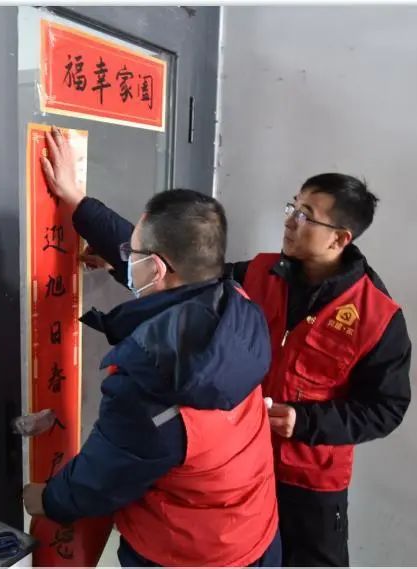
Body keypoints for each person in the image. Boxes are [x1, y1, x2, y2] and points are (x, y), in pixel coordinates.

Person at [34, 129, 412, 567]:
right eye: (292, 207)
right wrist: (82, 208)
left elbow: (386, 408)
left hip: (308, 480)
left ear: (340, 238)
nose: (290, 220)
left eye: (306, 215)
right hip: (231, 474)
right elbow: (187, 271)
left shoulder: (377, 317)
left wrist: (305, 421)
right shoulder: (261, 275)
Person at [23, 127, 281, 567]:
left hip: (186, 555)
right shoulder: (236, 305)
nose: (128, 257)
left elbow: (102, 477)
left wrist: (48, 499)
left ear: (157, 268)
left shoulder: (151, 381)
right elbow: (158, 264)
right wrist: (78, 203)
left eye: (135, 254)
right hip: (253, 535)